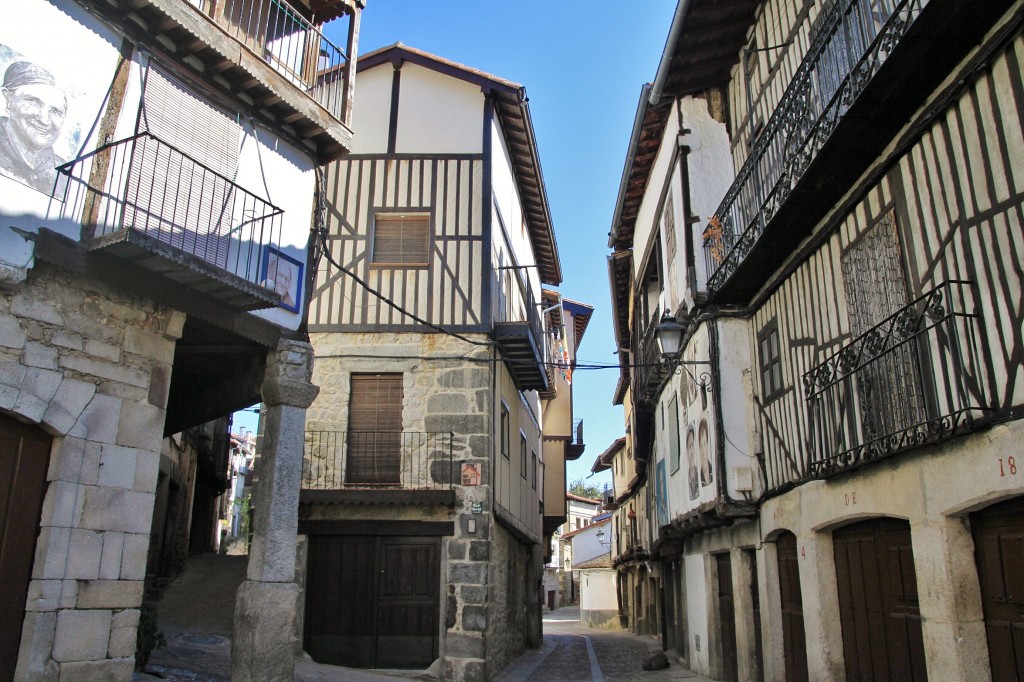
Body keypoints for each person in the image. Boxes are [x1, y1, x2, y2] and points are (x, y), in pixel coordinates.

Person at [0, 61, 68, 195]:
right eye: (33, 102)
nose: (44, 119)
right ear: (8, 99)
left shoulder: (62, 172)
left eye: (55, 111)